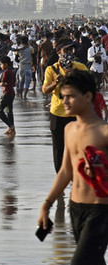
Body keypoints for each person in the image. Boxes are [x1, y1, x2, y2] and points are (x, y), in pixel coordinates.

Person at [37, 71, 108, 265]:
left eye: (70, 97)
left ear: (88, 97)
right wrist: (47, 203)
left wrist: (101, 169)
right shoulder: (69, 130)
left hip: (101, 211)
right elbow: (66, 171)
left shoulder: (104, 132)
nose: (64, 101)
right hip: (76, 209)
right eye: (62, 96)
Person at [43, 37, 90, 177]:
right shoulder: (51, 69)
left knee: (78, 147)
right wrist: (55, 83)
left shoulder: (80, 67)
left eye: (71, 49)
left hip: (76, 114)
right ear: (58, 52)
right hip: (57, 113)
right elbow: (45, 90)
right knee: (58, 148)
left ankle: (78, 176)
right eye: (66, 50)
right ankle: (60, 177)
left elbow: (90, 86)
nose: (69, 52)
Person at [0, 57, 16, 136]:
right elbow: (14, 84)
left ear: (6, 64)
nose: (0, 66)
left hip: (7, 93)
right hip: (11, 93)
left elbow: (2, 83)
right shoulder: (12, 72)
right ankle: (11, 128)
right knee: (9, 111)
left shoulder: (6, 72)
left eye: (1, 64)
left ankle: (10, 126)